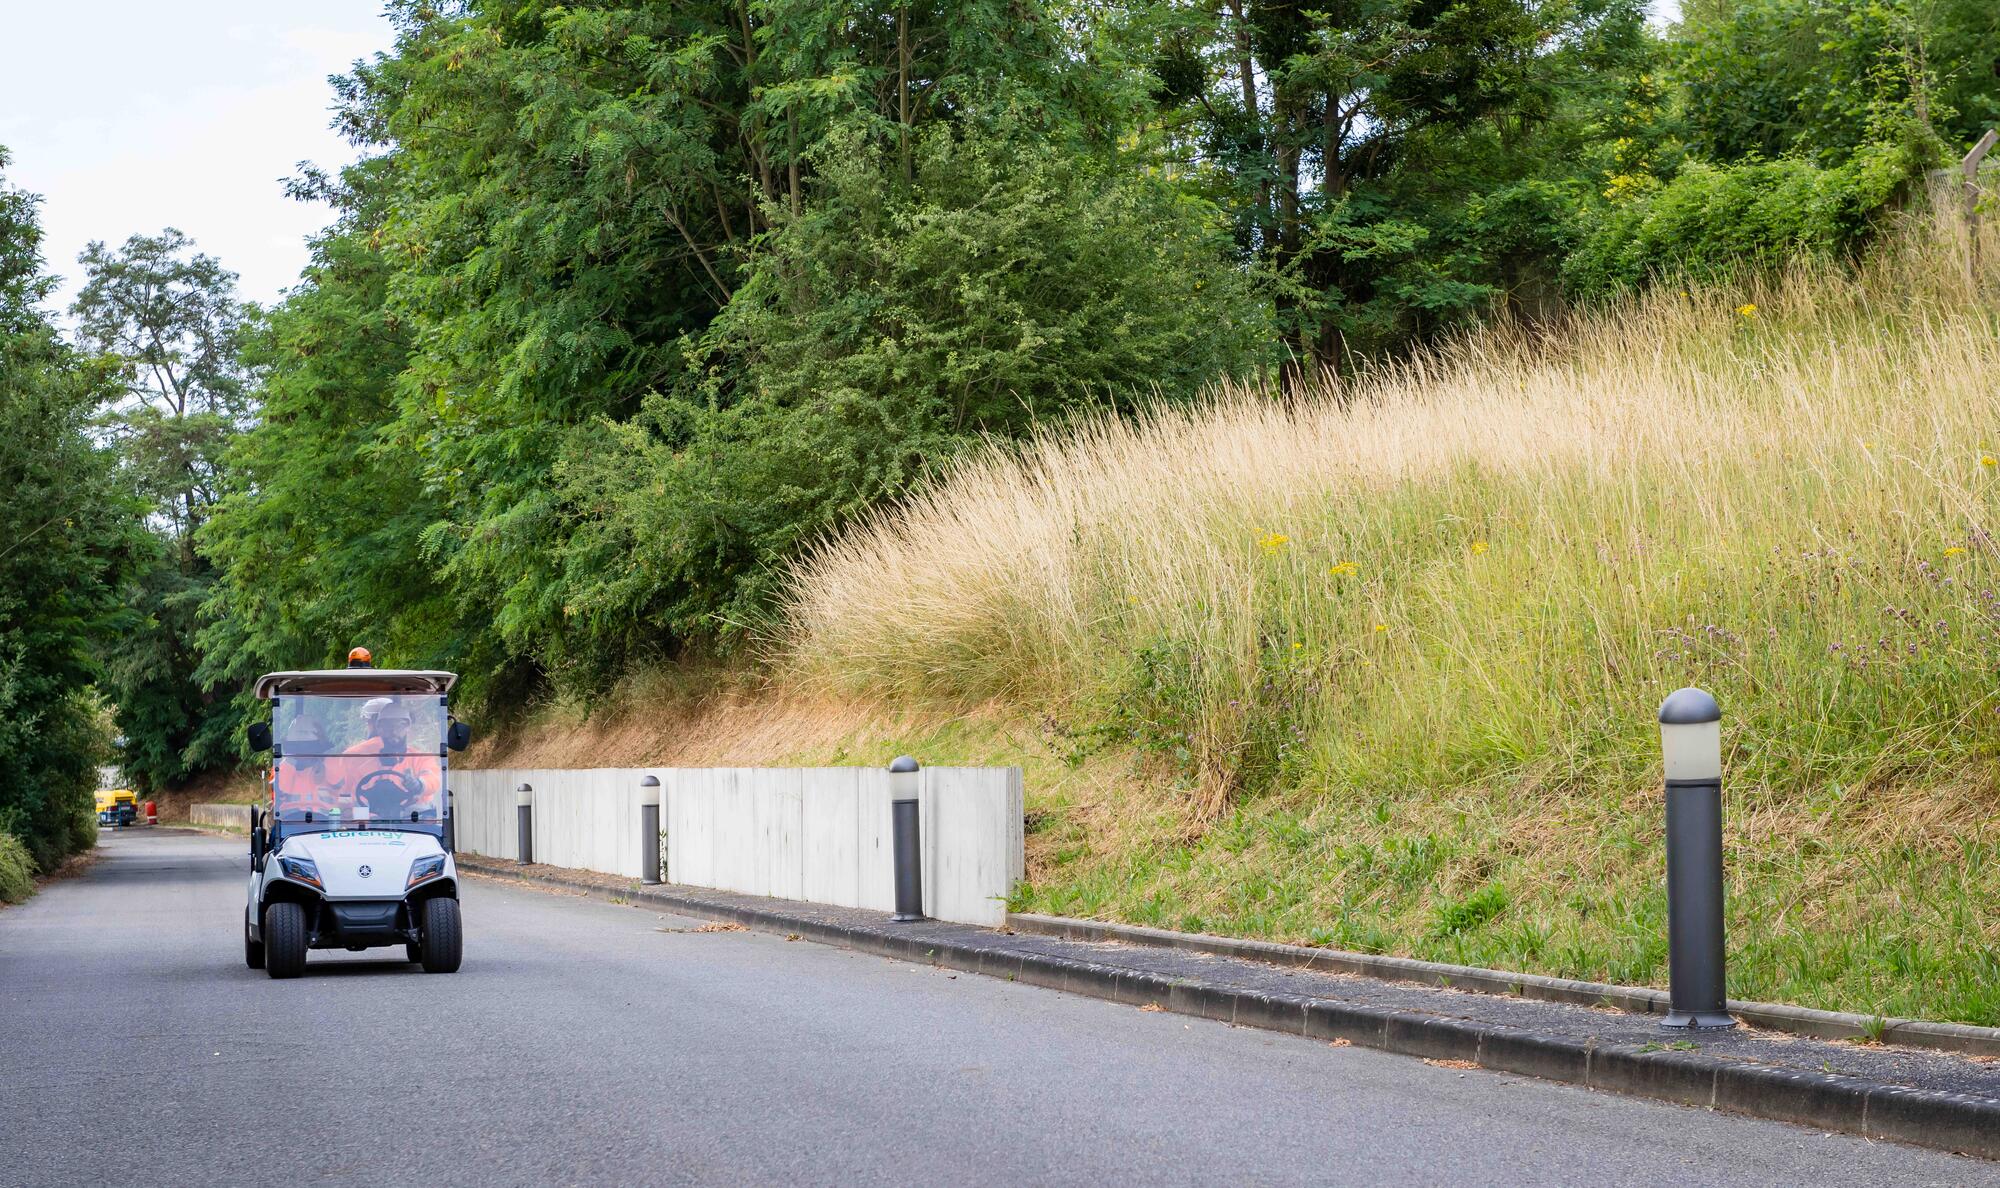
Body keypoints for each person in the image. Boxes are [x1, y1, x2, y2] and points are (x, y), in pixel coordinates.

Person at [336, 697, 442, 819]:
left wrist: (419, 784)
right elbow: (347, 797)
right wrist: (370, 817)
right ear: (379, 728)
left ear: (408, 727)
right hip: (370, 822)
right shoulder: (363, 762)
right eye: (387, 726)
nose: (393, 731)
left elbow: (432, 779)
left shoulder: (420, 759)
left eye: (399, 726)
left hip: (413, 821)